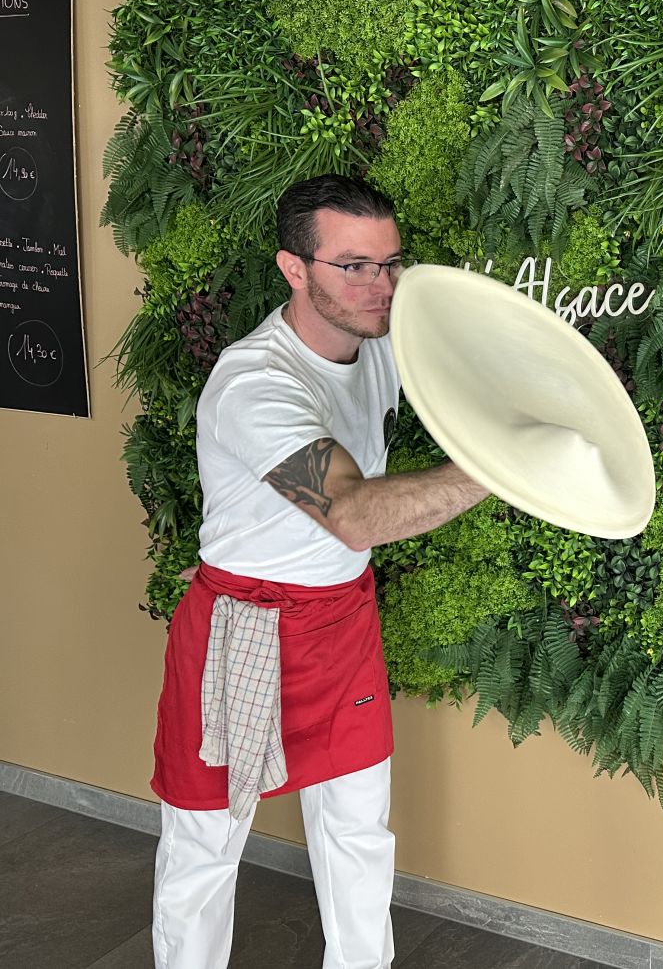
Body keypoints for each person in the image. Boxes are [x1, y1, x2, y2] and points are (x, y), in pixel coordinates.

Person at [149, 173, 490, 969]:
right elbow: (353, 515)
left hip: (341, 619)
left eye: (390, 263)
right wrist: (506, 466)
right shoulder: (253, 384)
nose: (382, 286)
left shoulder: (381, 343)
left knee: (359, 835)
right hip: (246, 628)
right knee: (205, 846)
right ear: (293, 269)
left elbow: (475, 370)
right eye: (354, 266)